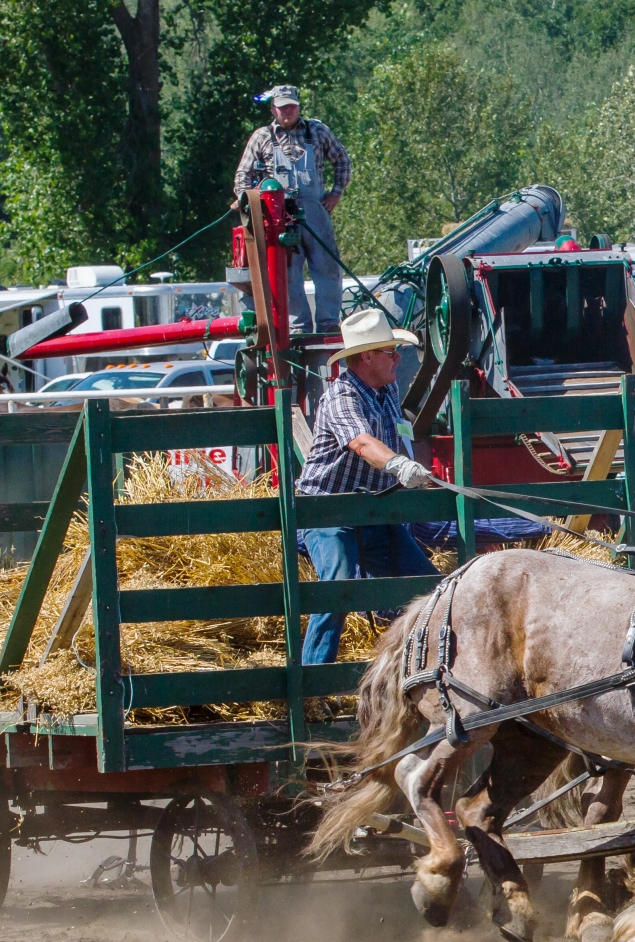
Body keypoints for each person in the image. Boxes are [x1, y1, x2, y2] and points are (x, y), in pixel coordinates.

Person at [296, 308, 436, 664]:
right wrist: (397, 464)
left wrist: (414, 469)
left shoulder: (386, 390)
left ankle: (419, 670)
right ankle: (314, 682)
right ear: (367, 356)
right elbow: (360, 442)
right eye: (391, 352)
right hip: (329, 511)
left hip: (373, 510)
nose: (397, 358)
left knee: (429, 585)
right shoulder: (342, 396)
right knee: (339, 584)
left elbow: (400, 435)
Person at [233, 85, 350, 334]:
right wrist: (251, 206)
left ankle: (329, 323)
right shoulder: (262, 137)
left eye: (292, 106)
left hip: (315, 211)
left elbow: (342, 160)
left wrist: (336, 194)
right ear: (273, 109)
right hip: (278, 217)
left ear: (298, 106)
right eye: (282, 107)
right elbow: (243, 175)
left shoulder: (317, 130)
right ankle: (298, 326)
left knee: (327, 266)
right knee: (287, 273)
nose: (287, 111)